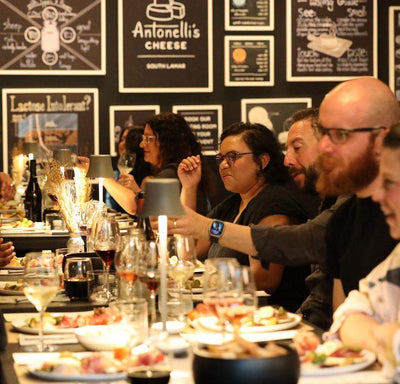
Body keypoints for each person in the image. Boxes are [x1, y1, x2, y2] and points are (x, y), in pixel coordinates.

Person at [171, 77, 399, 313]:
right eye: (324, 135)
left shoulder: (277, 203)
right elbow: (341, 314)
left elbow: (295, 244)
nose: (325, 148)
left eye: (339, 135)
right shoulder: (348, 209)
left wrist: (209, 227)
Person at [178, 122, 312, 312]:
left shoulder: (275, 206)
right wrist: (189, 187)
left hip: (270, 320)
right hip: (232, 310)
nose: (223, 165)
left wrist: (211, 281)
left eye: (233, 156)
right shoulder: (233, 203)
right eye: (221, 158)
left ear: (262, 161)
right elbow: (188, 252)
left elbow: (266, 279)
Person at [325, 124, 400, 376]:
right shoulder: (397, 258)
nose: (378, 196)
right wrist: (384, 336)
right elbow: (347, 315)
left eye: (389, 183)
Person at [104, 112, 212, 215]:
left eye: (148, 139)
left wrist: (103, 177)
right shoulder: (172, 171)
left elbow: (136, 207)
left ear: (166, 142)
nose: (142, 144)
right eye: (143, 138)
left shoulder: (172, 173)